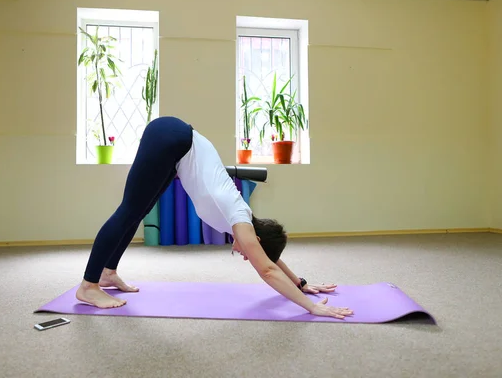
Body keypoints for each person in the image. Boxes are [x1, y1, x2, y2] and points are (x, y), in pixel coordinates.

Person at [76, 116, 353, 320]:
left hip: (177, 148)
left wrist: (301, 283)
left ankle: (108, 273)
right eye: (250, 251)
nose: (246, 256)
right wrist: (312, 307)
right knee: (127, 210)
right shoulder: (239, 218)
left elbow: (269, 258)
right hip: (172, 139)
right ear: (254, 238)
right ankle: (89, 285)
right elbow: (267, 270)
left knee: (137, 211)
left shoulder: (247, 224)